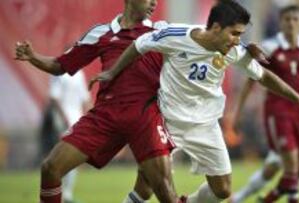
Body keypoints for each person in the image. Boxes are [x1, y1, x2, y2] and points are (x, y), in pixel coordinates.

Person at [89, 1, 299, 203]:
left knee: (223, 190)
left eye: (240, 35)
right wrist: (112, 72)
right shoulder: (175, 36)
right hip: (167, 121)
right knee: (147, 188)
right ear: (216, 28)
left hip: (206, 125)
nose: (238, 40)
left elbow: (263, 76)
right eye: (234, 33)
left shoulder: (233, 50)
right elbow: (139, 45)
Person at [14, 0, 181, 203]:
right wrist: (33, 57)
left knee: (165, 193)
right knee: (51, 168)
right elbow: (60, 65)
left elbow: (197, 37)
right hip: (106, 116)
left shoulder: (161, 30)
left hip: (146, 118)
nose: (154, 3)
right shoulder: (101, 33)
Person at [229, 5, 299, 203]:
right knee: (292, 166)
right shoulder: (269, 47)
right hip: (276, 111)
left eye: (295, 19)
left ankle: (266, 199)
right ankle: (290, 199)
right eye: (287, 19)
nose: (291, 23)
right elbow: (251, 80)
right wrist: (239, 111)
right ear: (280, 22)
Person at [49, 71, 92, 203]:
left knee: (71, 159)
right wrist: (64, 118)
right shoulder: (59, 72)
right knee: (65, 158)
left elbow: (85, 98)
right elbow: (54, 97)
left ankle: (66, 194)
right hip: (64, 121)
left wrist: (91, 117)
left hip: (76, 120)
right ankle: (61, 194)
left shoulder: (79, 73)